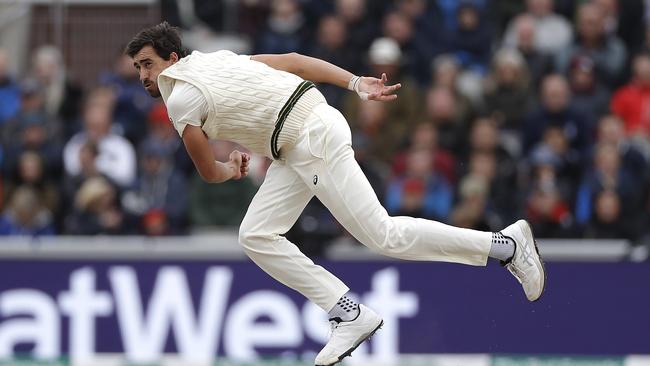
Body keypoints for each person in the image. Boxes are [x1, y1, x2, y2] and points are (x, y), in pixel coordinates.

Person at [126, 22, 546, 366]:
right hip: (299, 138)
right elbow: (291, 63)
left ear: (172, 60)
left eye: (148, 64)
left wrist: (230, 169)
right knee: (255, 234)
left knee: (384, 235)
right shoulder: (213, 60)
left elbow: (207, 171)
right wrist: (352, 82)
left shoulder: (180, 96)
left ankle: (505, 246)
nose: (144, 75)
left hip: (309, 140)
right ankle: (349, 312)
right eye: (138, 68)